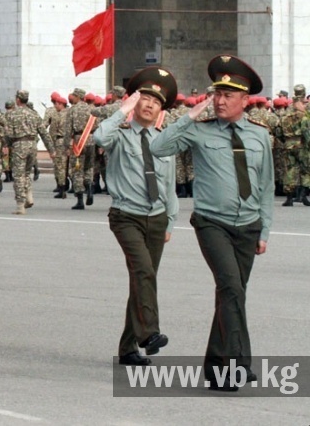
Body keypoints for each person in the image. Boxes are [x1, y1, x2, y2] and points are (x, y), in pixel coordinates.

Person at [148, 55, 273, 391]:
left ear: (245, 101)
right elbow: (159, 147)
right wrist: (188, 116)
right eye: (216, 94)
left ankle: (214, 366)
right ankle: (237, 364)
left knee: (231, 294)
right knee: (232, 288)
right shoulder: (200, 132)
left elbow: (266, 184)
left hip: (247, 225)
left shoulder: (260, 136)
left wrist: (265, 228)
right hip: (211, 223)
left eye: (227, 96)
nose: (219, 100)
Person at [92, 67, 179, 367]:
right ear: (135, 101)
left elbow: (169, 184)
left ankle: (128, 348)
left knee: (142, 279)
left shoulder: (163, 140)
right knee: (143, 271)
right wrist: (121, 111)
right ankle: (149, 335)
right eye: (145, 98)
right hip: (125, 216)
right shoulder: (121, 135)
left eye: (157, 101)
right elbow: (99, 138)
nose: (151, 104)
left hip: (156, 218)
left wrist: (171, 220)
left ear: (161, 109)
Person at [1, 89, 53, 214]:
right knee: (27, 173)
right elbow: (44, 132)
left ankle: (20, 205)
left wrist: (4, 145)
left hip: (19, 145)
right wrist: (51, 149)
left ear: (18, 99)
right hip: (32, 145)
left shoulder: (11, 114)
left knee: (18, 175)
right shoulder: (34, 114)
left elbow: (6, 132)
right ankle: (28, 195)